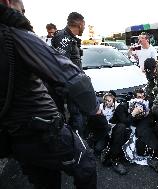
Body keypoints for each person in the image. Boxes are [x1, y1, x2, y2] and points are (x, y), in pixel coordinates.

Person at [0, 1, 100, 188]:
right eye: (21, 10)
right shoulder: (13, 33)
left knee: (46, 176)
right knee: (85, 162)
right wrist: (94, 108)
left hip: (15, 132)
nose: (23, 15)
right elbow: (62, 70)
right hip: (39, 125)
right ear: (7, 3)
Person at [52, 12, 86, 135]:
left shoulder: (70, 38)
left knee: (77, 114)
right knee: (76, 114)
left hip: (73, 82)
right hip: (70, 84)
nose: (84, 27)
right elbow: (62, 65)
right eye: (84, 24)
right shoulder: (64, 37)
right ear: (79, 23)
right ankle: (78, 143)